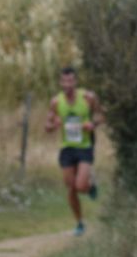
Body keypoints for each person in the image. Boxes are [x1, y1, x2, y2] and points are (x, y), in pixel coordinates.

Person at [42, 65, 105, 235]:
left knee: (80, 186)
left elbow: (101, 115)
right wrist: (53, 125)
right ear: (60, 83)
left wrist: (93, 124)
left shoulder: (88, 98)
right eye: (64, 81)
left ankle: (90, 185)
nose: (67, 84)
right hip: (67, 147)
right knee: (71, 188)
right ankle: (79, 223)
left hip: (84, 146)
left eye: (70, 81)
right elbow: (47, 126)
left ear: (76, 82)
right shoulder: (56, 102)